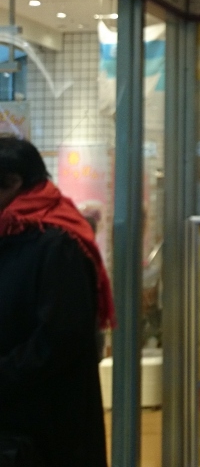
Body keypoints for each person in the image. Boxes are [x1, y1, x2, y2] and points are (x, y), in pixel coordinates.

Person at [0, 136, 112, 467]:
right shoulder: (13, 231)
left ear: (13, 183)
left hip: (46, 427)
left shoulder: (58, 242)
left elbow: (60, 338)